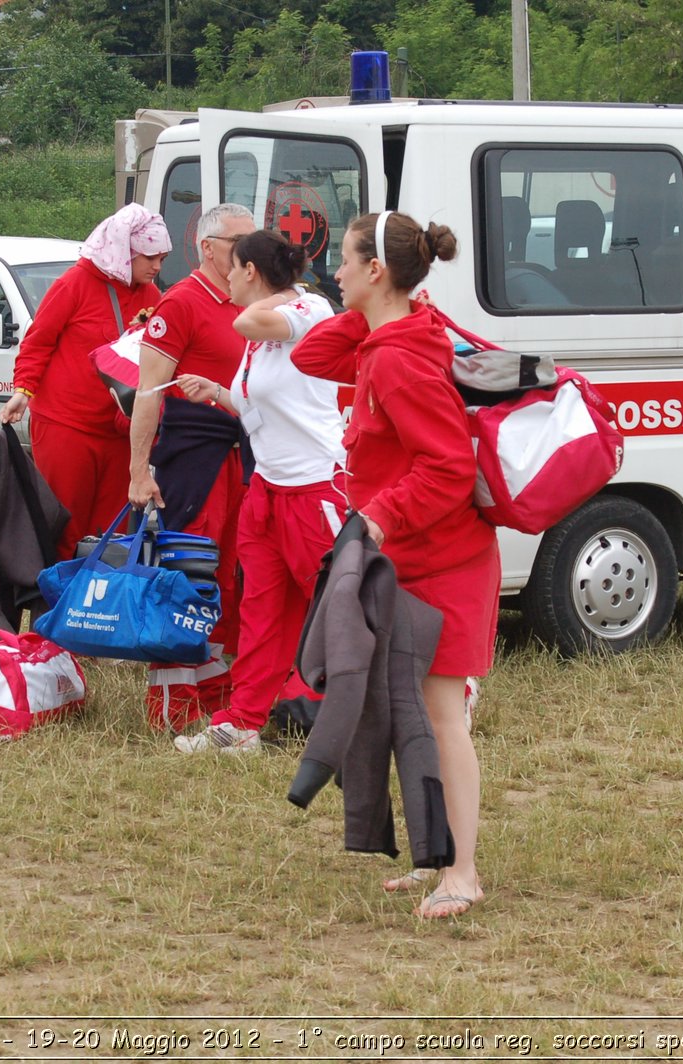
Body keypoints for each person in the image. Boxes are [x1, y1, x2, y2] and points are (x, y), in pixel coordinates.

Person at [293, 210, 499, 920]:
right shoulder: (394, 338)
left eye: (347, 263)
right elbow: (309, 357)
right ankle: (437, 856)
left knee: (443, 717)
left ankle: (462, 873)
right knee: (413, 712)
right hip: (410, 558)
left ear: (375, 269)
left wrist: (379, 516)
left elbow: (447, 467)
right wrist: (384, 312)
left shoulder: (402, 356)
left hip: (443, 561)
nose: (334, 273)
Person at [170, 230, 342, 753]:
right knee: (262, 612)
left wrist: (255, 300)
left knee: (341, 610)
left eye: (233, 266)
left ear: (252, 272)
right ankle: (243, 723)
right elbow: (259, 405)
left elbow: (248, 319)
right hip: (267, 488)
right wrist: (219, 393)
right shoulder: (259, 331)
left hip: (316, 487)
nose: (225, 276)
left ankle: (403, 705)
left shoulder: (308, 310)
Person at [127, 203, 256, 731]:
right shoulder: (181, 303)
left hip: (244, 457)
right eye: (238, 244)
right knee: (187, 577)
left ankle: (223, 689)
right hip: (193, 461)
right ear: (207, 248)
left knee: (234, 576)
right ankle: (175, 701)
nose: (250, 255)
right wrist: (139, 470)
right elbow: (147, 393)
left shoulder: (256, 304)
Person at [2, 204, 169, 560]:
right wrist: (23, 391)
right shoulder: (74, 285)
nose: (156, 267)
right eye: (149, 258)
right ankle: (53, 604)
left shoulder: (153, 297)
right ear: (125, 252)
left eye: (162, 259)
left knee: (110, 532)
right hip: (68, 426)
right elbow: (38, 341)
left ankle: (95, 608)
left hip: (120, 432)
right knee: (65, 525)